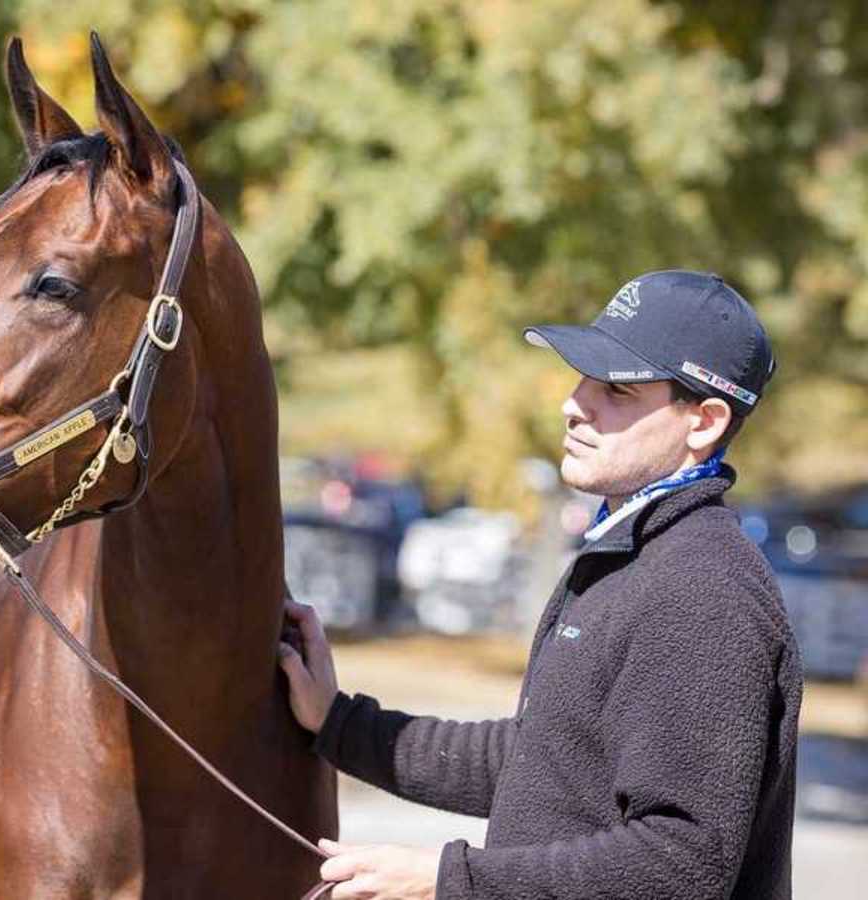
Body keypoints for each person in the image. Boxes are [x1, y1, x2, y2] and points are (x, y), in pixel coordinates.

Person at [278, 270, 802, 900]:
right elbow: (541, 763)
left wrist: (443, 881)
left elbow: (679, 863)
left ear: (704, 421)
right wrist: (339, 722)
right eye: (583, 377)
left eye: (617, 390)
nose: (574, 403)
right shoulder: (632, 555)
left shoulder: (704, 589)